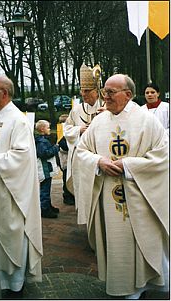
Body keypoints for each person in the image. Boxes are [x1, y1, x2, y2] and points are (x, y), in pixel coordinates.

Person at [72, 74, 169, 298]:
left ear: (128, 94)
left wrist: (128, 165)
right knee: (117, 241)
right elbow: (82, 151)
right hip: (108, 194)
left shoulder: (146, 120)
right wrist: (99, 161)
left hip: (140, 195)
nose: (105, 96)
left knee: (142, 240)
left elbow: (163, 157)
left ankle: (148, 284)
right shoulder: (99, 121)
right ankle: (123, 287)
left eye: (110, 92)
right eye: (104, 91)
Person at [0, 75, 42, 297]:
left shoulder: (18, 121)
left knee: (11, 237)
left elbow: (21, 158)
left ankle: (15, 285)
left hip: (9, 193)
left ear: (4, 93)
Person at [64, 63, 105, 199]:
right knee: (84, 194)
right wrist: (79, 130)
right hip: (82, 157)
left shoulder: (106, 107)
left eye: (87, 91)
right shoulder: (76, 110)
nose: (83, 94)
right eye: (82, 90)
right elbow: (67, 128)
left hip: (101, 156)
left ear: (96, 90)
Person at [35, 120, 60, 218]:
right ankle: (44, 209)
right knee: (45, 189)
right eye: (48, 127)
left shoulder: (42, 140)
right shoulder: (42, 141)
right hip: (45, 169)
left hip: (46, 168)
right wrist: (55, 148)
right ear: (42, 129)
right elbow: (44, 154)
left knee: (47, 188)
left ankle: (48, 206)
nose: (49, 129)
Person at [57, 114, 75, 205]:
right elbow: (63, 145)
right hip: (65, 160)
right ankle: (67, 196)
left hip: (70, 159)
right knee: (66, 178)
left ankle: (72, 195)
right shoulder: (62, 133)